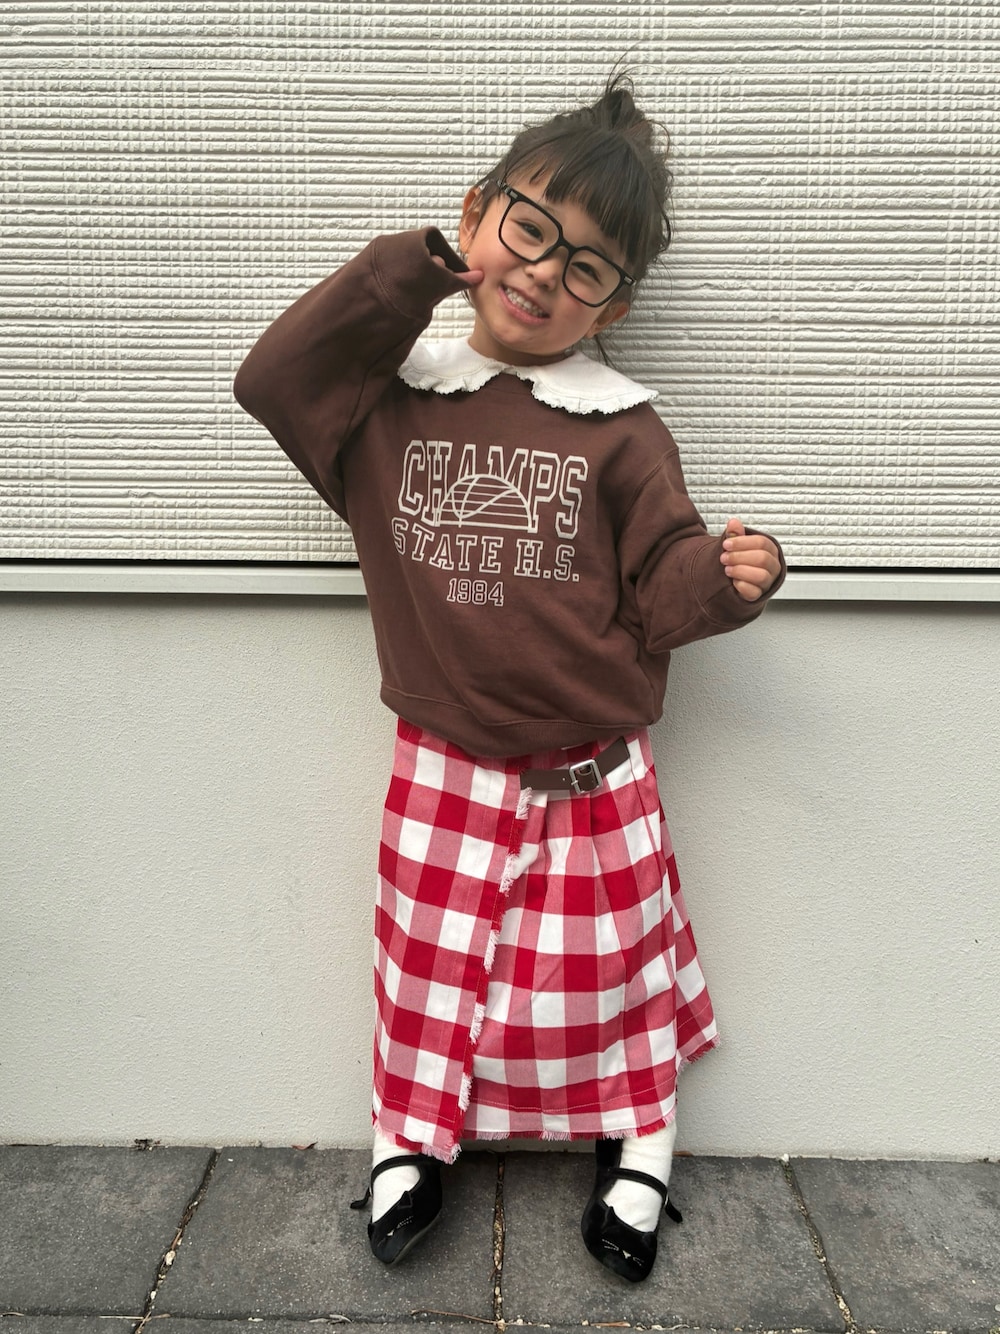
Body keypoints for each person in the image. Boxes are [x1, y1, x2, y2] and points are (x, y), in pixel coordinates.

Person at [233, 71, 784, 1282]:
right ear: (478, 213)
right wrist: (416, 270)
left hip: (594, 767)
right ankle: (408, 1135)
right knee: (426, 966)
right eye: (528, 229)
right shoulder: (389, 399)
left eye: (585, 267)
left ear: (614, 303)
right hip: (442, 757)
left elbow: (661, 586)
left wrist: (727, 579)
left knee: (608, 974)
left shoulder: (622, 425)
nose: (542, 273)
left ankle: (638, 1136)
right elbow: (272, 381)